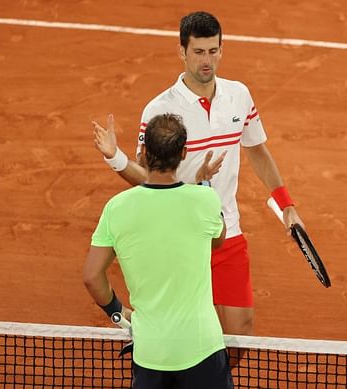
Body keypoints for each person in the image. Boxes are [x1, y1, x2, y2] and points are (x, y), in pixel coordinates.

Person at [92, 11, 304, 337]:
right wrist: (115, 158)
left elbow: (258, 151)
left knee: (239, 333)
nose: (207, 61)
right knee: (183, 331)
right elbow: (149, 178)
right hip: (181, 233)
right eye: (199, 52)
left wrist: (286, 204)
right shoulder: (159, 110)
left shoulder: (239, 96)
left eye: (213, 51)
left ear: (222, 49)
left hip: (225, 230)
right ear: (182, 52)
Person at [83, 113, 233, 389]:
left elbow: (93, 276)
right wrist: (204, 182)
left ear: (143, 153)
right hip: (202, 348)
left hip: (151, 354)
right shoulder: (204, 200)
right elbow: (217, 240)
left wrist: (117, 313)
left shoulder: (117, 208)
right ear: (184, 153)